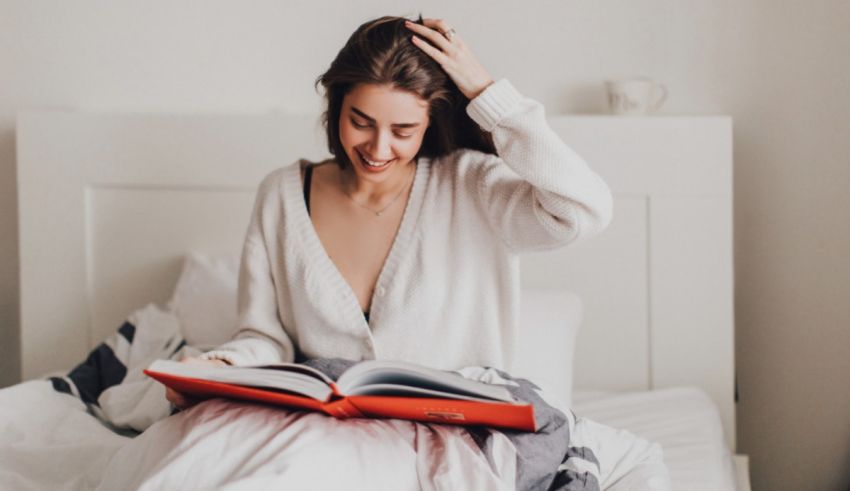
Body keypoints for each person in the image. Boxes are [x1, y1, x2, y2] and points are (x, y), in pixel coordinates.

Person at [166, 15, 613, 409]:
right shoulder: (282, 194)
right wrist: (219, 366)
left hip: (454, 431)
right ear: (336, 106)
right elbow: (265, 338)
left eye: (403, 130)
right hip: (326, 429)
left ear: (430, 123)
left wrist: (488, 94)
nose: (378, 149)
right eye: (361, 122)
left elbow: (584, 211)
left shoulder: (473, 186)